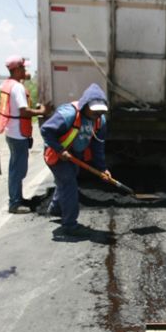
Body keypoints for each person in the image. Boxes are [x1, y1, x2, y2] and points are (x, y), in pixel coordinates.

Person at [40, 83, 112, 236]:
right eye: (95, 111)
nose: (97, 115)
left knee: (65, 182)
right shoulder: (68, 114)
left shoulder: (100, 121)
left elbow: (98, 146)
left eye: (101, 111)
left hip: (75, 154)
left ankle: (56, 209)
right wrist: (60, 150)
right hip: (56, 153)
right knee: (69, 184)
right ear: (85, 105)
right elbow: (46, 130)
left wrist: (102, 168)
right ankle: (70, 225)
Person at [0, 55, 47, 214]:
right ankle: (15, 203)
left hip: (12, 131)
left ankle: (17, 198)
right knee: (18, 169)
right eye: (23, 68)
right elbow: (24, 111)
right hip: (18, 132)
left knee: (16, 168)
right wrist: (41, 112)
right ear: (16, 69)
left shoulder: (9, 84)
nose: (25, 71)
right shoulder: (17, 87)